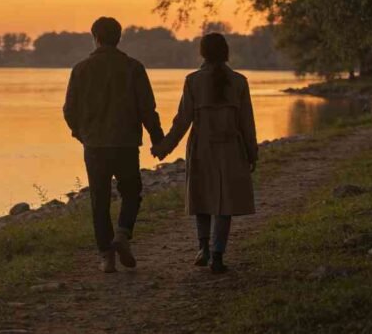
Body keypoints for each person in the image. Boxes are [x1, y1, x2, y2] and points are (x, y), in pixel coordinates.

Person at [63, 16, 164, 273]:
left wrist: (80, 133)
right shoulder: (133, 68)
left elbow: (69, 109)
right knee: (131, 193)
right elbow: (147, 109)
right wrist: (157, 137)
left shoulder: (81, 69)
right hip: (126, 143)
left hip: (95, 145)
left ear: (95, 37)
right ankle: (122, 233)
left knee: (100, 199)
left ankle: (106, 257)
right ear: (118, 38)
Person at [151, 32, 257, 274]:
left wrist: (163, 148)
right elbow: (246, 122)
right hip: (232, 149)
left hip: (202, 148)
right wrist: (252, 152)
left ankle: (203, 249)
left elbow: (182, 121)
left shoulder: (193, 81)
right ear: (226, 53)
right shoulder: (239, 81)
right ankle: (218, 255)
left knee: (202, 198)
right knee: (224, 204)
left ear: (202, 53)